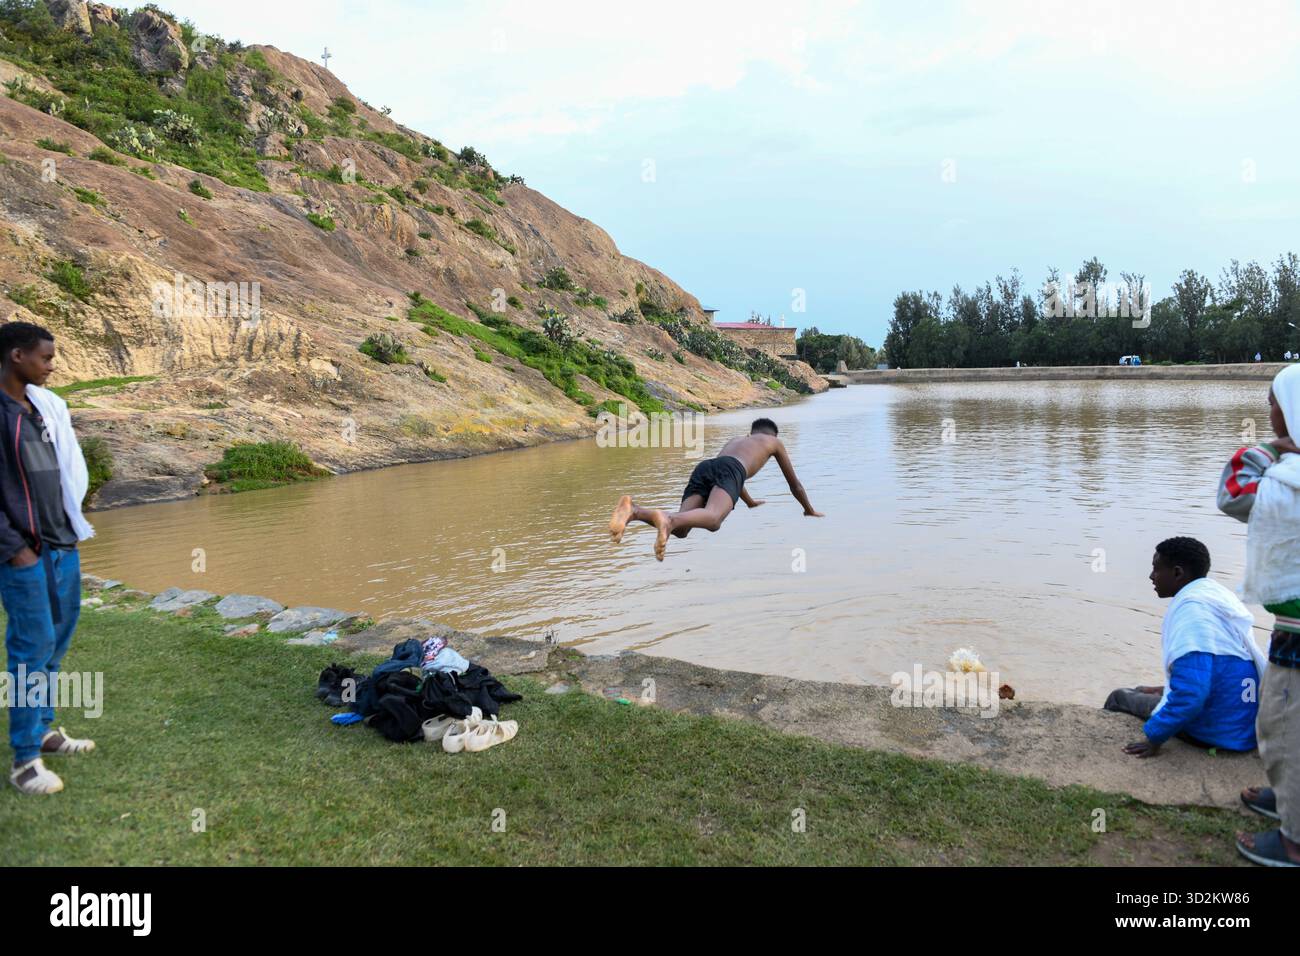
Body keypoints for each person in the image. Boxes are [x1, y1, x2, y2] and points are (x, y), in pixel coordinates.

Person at [0, 322, 96, 796]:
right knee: (29, 652)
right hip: (23, 554)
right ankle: (24, 762)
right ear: (17, 356)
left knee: (55, 648)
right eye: (45, 358)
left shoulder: (42, 408)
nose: (51, 365)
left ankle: (43, 729)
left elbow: (66, 472)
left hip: (62, 544)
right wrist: (14, 549)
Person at [1217, 363, 1300, 866]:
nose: (1268, 412)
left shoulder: (1288, 479)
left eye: (1275, 403)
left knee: (1284, 727)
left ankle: (1294, 840)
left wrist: (1276, 448)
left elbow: (1233, 490)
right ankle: (1288, 800)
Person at [1105, 537, 1263, 758]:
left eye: (1156, 569)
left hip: (1214, 731)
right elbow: (1218, 669)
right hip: (1242, 726)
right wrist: (1163, 689)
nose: (1151, 576)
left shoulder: (1192, 613)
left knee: (1120, 697)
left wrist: (1154, 738)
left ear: (1178, 573)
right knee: (1142, 690)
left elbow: (1192, 694)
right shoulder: (1216, 598)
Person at [607, 417, 823, 561]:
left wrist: (748, 502)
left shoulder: (737, 439)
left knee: (681, 530)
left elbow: (727, 477)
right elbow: (794, 484)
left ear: (751, 432)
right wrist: (808, 509)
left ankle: (634, 510)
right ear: (773, 434)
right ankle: (667, 518)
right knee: (713, 520)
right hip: (731, 470)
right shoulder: (774, 442)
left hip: (706, 467)